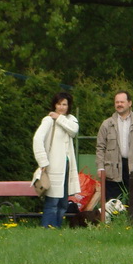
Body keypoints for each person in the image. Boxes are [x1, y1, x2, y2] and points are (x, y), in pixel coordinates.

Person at [33, 92, 80, 228]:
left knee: (63, 203)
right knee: (52, 201)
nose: (61, 107)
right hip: (52, 166)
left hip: (66, 166)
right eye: (59, 104)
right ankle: (47, 228)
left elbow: (74, 130)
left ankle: (57, 229)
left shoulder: (70, 119)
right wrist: (43, 161)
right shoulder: (48, 120)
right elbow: (37, 139)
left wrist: (59, 118)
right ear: (54, 105)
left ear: (68, 106)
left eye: (64, 104)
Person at [96, 91, 133, 202]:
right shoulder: (106, 124)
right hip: (112, 168)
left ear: (129, 103)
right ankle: (114, 220)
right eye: (117, 102)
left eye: (122, 102)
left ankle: (132, 220)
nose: (119, 104)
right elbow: (100, 148)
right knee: (112, 202)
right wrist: (100, 167)